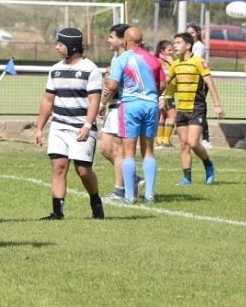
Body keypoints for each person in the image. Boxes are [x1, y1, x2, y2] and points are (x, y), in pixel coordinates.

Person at [34, 28, 104, 220]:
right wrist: (39, 128)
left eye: (60, 44)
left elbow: (94, 101)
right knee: (58, 166)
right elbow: (48, 100)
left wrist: (88, 125)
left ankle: (95, 201)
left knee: (83, 170)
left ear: (72, 47)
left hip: (81, 127)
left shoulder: (90, 70)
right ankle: (57, 212)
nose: (56, 47)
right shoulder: (55, 69)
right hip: (59, 125)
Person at [104, 27, 165, 203]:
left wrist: (108, 77)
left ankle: (129, 196)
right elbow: (162, 84)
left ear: (125, 41)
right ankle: (150, 195)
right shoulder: (154, 60)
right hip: (151, 105)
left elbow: (113, 85)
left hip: (130, 106)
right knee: (149, 151)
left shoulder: (122, 59)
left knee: (128, 152)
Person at [161, 32, 223, 185]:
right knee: (183, 145)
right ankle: (186, 178)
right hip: (181, 108)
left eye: (178, 42)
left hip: (197, 107)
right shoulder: (175, 64)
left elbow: (210, 83)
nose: (175, 45)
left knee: (193, 142)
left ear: (188, 45)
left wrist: (217, 105)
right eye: (174, 42)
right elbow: (165, 82)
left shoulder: (198, 62)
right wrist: (161, 95)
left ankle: (208, 164)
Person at [97, 23, 134, 201]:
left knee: (118, 150)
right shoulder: (116, 58)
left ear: (122, 40)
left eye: (112, 36)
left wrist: (101, 103)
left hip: (122, 106)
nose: (108, 40)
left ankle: (119, 191)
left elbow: (112, 86)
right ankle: (133, 178)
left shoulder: (128, 58)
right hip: (113, 106)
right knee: (105, 149)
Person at [186, 22, 212, 149]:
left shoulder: (199, 47)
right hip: (190, 82)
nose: (190, 35)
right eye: (188, 32)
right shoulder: (189, 47)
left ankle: (206, 138)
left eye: (192, 32)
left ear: (197, 33)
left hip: (199, 82)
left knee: (199, 109)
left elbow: (194, 62)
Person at [155, 39, 177, 148]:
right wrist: (173, 62)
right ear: (162, 50)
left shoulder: (166, 61)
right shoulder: (161, 62)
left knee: (163, 116)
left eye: (172, 50)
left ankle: (159, 140)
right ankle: (166, 140)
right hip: (166, 95)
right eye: (169, 50)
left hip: (168, 94)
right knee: (173, 116)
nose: (171, 52)